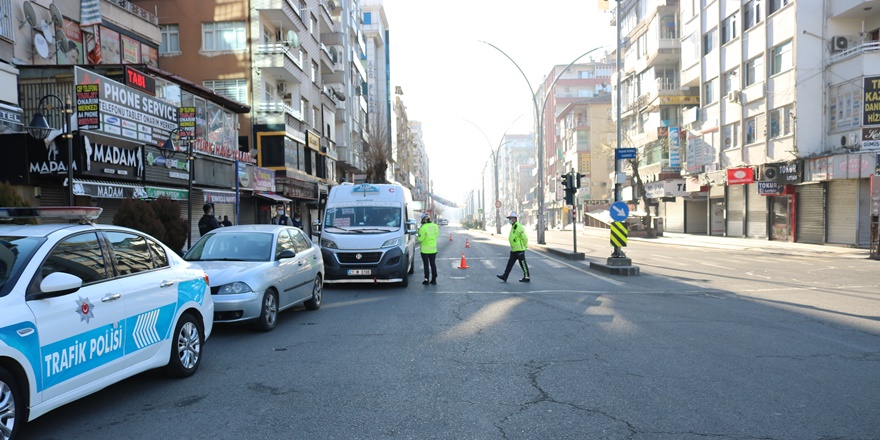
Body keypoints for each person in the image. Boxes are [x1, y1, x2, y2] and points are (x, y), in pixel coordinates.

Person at [497, 212, 530, 282]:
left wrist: (525, 246)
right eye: (509, 218)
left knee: (523, 264)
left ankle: (527, 277)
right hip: (514, 250)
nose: (509, 220)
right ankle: (505, 276)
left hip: (519, 249)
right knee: (510, 264)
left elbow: (525, 238)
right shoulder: (513, 226)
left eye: (511, 218)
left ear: (515, 219)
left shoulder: (518, 226)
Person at [417, 213, 440, 285]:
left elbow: (420, 239)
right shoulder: (435, 226)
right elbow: (437, 235)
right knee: (433, 264)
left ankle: (426, 279)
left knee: (426, 265)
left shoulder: (423, 227)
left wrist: (418, 235)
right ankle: (434, 279)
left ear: (423, 220)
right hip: (433, 249)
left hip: (425, 250)